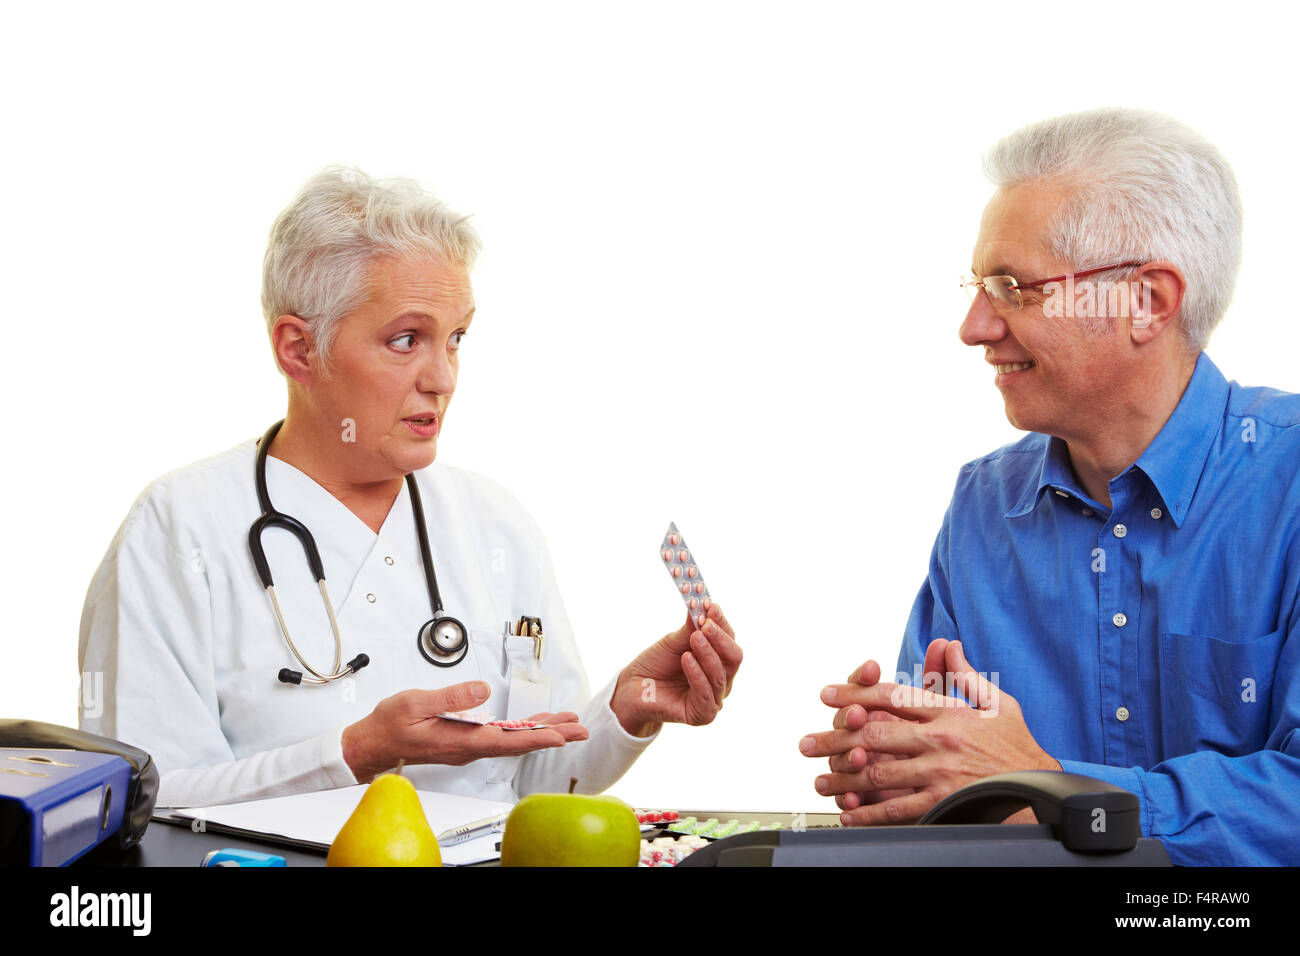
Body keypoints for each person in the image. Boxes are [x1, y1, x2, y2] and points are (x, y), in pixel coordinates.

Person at [79, 166, 741, 809]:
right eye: (406, 340)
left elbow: (537, 784)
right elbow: (143, 800)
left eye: (455, 338)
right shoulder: (177, 531)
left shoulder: (493, 522)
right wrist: (353, 753)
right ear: (298, 350)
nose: (443, 377)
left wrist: (628, 711)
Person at [799, 108, 1300, 865]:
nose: (973, 327)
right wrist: (891, 765)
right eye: (979, 286)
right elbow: (946, 797)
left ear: (1147, 301)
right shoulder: (982, 507)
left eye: (1011, 286)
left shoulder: (1287, 485)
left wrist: (1056, 789)